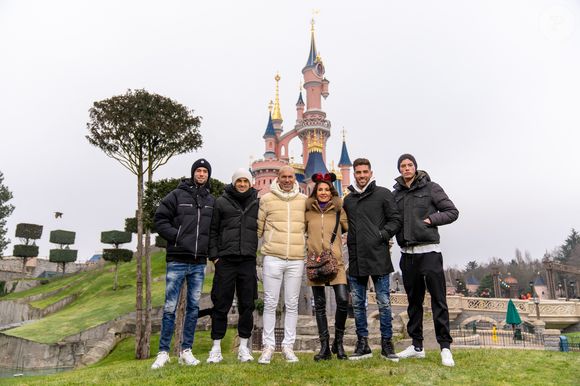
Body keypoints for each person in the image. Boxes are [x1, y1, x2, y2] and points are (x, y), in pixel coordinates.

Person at [393, 154, 459, 367]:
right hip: (407, 255)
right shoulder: (396, 194)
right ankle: (417, 346)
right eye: (402, 166)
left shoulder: (431, 188)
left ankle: (445, 348)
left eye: (409, 165)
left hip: (429, 252)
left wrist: (431, 220)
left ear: (415, 167)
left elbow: (452, 212)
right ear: (399, 170)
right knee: (414, 302)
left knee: (438, 300)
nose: (406, 168)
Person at [151, 158, 215, 369]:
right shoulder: (177, 195)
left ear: (208, 175)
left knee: (193, 308)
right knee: (170, 308)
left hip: (198, 263)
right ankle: (163, 352)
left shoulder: (211, 201)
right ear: (193, 173)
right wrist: (176, 236)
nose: (201, 174)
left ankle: (185, 350)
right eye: (198, 170)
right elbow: (160, 219)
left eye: (205, 171)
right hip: (177, 259)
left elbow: (214, 229)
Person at [342, 158, 402, 361]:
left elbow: (396, 220)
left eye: (364, 172)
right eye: (357, 172)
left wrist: (382, 235)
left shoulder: (383, 194)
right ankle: (363, 344)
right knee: (358, 304)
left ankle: (387, 344)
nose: (361, 176)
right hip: (357, 257)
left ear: (370, 173)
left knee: (384, 302)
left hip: (378, 256)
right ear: (354, 174)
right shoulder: (348, 200)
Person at [206, 168, 259, 364]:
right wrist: (215, 257)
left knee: (247, 304)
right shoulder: (221, 202)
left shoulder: (257, 202)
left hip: (247, 260)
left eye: (246, 181)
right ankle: (216, 347)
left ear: (251, 183)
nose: (242, 184)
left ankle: (244, 348)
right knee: (221, 304)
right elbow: (213, 231)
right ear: (234, 182)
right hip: (226, 261)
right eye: (239, 181)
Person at [256, 165, 307, 364]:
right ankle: (268, 346)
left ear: (295, 179)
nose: (287, 180)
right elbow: (259, 228)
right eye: (283, 176)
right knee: (270, 302)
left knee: (291, 304)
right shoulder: (267, 199)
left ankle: (288, 346)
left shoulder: (303, 201)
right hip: (273, 257)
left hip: (295, 259)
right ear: (277, 177)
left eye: (290, 177)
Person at [304, 173, 349, 361]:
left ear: (332, 192)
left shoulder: (339, 211)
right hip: (315, 262)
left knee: (343, 301)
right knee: (320, 305)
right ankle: (324, 347)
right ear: (316, 192)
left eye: (327, 190)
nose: (323, 193)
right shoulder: (308, 212)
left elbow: (347, 228)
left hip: (335, 261)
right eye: (320, 189)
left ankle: (338, 343)